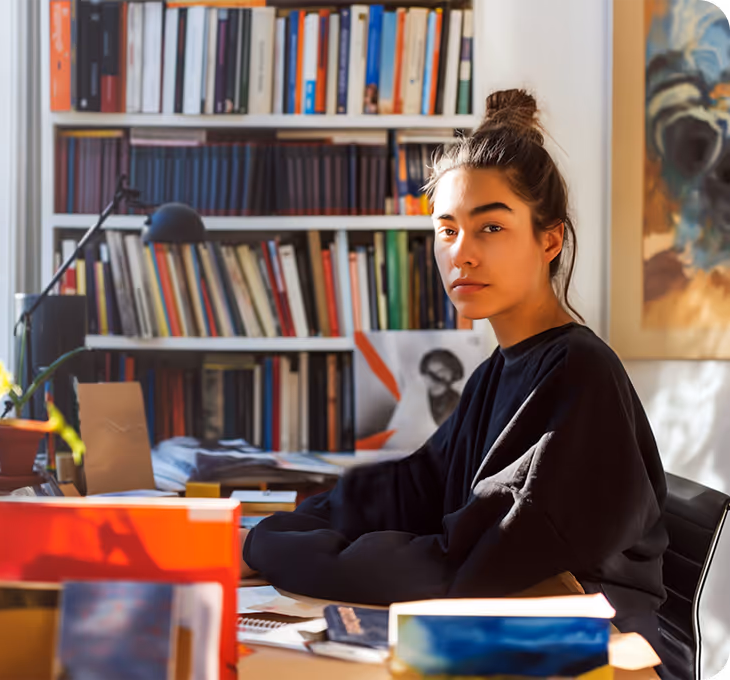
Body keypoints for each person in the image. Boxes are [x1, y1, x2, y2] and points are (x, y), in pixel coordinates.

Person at [241, 89, 669, 667]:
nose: (461, 254)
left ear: (550, 239)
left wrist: (267, 547)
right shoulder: (500, 369)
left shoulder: (578, 373)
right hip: (510, 628)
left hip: (593, 655)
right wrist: (280, 528)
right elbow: (412, 487)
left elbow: (466, 567)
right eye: (447, 230)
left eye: (489, 228)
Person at [419, 348, 465, 425]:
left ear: (452, 373)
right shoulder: (418, 400)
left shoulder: (458, 402)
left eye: (441, 371)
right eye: (429, 373)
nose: (435, 377)